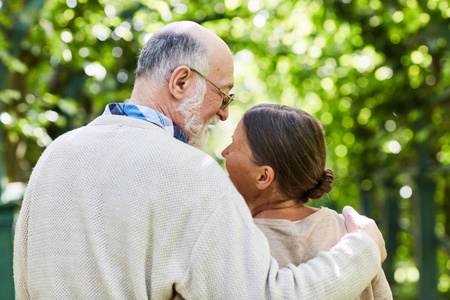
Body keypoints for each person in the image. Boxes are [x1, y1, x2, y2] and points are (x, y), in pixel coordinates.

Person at [14, 21, 386, 299]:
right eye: (224, 96)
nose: (224, 115)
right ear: (180, 83)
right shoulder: (190, 174)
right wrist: (362, 250)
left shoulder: (55, 156)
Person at [222, 104, 393, 299]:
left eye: (234, 147)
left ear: (263, 177)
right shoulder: (350, 233)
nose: (224, 152)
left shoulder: (236, 240)